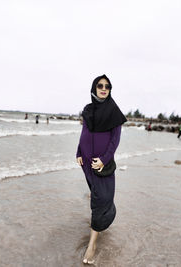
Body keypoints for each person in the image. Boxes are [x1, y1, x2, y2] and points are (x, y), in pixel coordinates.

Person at [76, 74, 126, 264]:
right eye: (100, 86)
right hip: (86, 161)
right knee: (96, 196)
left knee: (100, 199)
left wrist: (104, 160)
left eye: (107, 86)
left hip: (101, 163)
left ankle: (92, 245)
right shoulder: (88, 110)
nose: (103, 88)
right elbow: (84, 133)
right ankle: (100, 219)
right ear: (94, 88)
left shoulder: (114, 111)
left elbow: (115, 141)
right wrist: (78, 152)